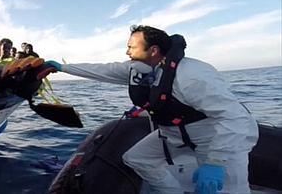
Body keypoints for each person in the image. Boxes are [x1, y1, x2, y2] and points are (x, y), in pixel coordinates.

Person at [45, 25, 259, 194]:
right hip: (172, 136)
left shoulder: (192, 75)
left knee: (228, 190)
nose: (126, 51)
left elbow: (234, 118)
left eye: (131, 47)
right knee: (137, 158)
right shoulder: (139, 69)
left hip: (213, 137)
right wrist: (63, 67)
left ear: (153, 50)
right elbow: (105, 70)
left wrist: (215, 161)